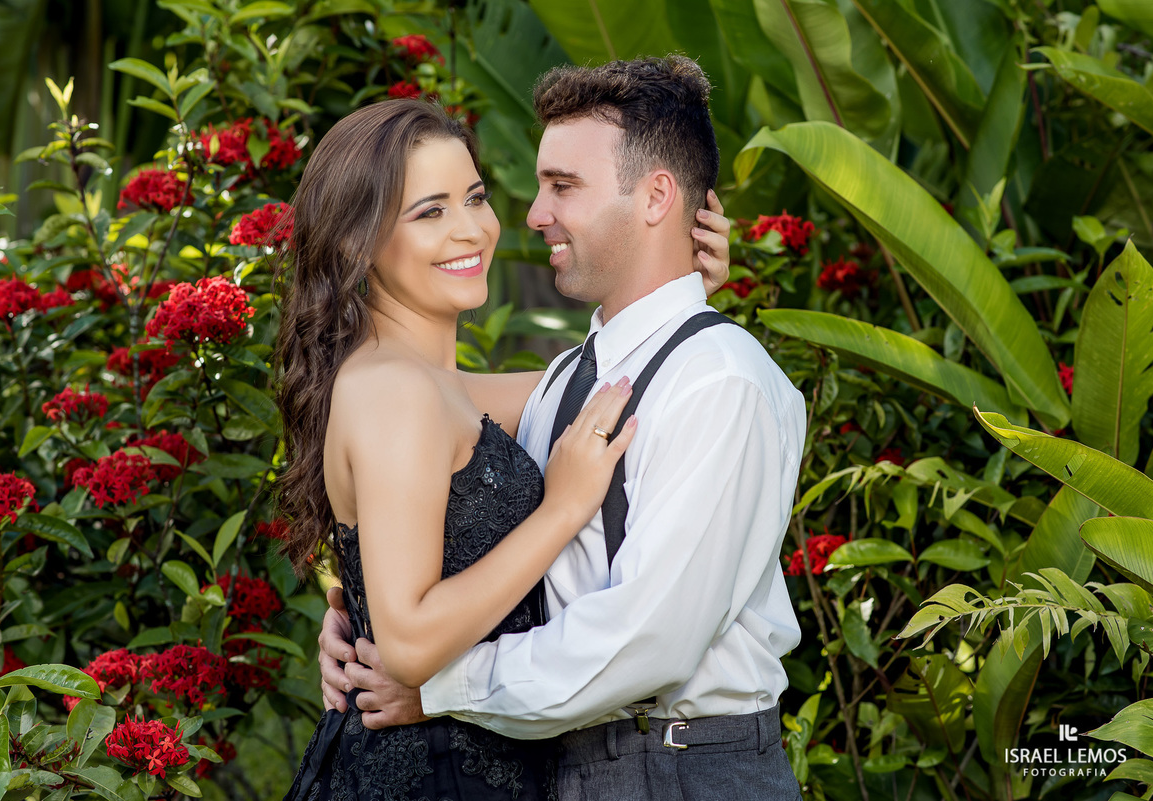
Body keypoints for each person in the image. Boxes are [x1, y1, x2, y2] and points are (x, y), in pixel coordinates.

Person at [318, 57, 807, 800]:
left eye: (563, 187)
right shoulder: (567, 386)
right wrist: (358, 622)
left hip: (678, 768)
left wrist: (439, 683)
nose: (529, 213)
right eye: (537, 185)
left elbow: (648, 642)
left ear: (656, 197)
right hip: (554, 760)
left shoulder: (720, 382)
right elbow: (414, 431)